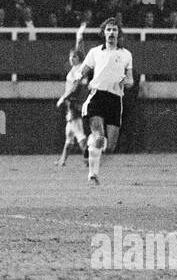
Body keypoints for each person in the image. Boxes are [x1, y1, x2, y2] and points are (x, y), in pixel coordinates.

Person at [78, 18, 134, 185]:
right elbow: (83, 71)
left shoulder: (126, 55)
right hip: (97, 97)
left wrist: (126, 82)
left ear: (118, 33)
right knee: (100, 138)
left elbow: (130, 80)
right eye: (108, 29)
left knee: (110, 146)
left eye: (114, 30)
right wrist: (80, 78)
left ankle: (90, 143)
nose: (111, 33)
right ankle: (93, 174)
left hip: (115, 100)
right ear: (103, 33)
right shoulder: (95, 52)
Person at [55, 21, 91, 170]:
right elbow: (79, 49)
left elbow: (75, 87)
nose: (72, 58)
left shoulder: (78, 71)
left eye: (74, 57)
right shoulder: (77, 69)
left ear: (79, 58)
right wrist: (79, 36)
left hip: (74, 104)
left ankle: (89, 159)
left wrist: (63, 97)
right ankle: (62, 160)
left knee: (79, 134)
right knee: (69, 134)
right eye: (71, 57)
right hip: (74, 105)